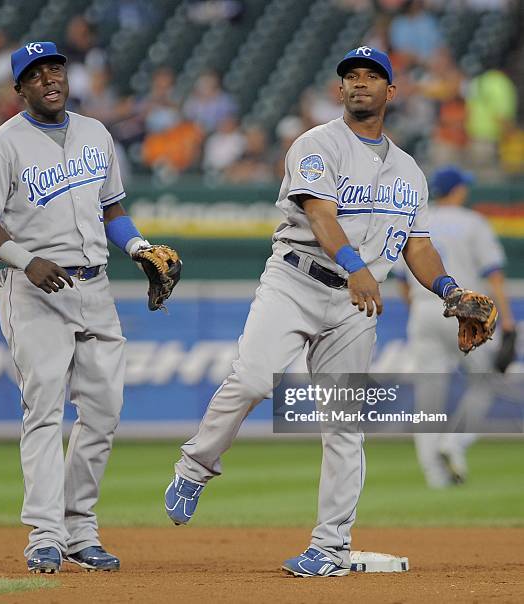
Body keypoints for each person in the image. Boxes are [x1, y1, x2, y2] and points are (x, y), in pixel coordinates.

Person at [164, 46, 492, 576]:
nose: (360, 83)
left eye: (372, 76)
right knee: (250, 380)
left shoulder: (410, 171)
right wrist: (355, 266)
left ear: (392, 91)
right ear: (340, 90)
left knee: (344, 424)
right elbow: (319, 213)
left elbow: (419, 246)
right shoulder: (316, 145)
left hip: (356, 305)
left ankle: (330, 546)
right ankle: (196, 465)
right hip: (296, 279)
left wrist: (452, 294)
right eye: (351, 77)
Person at [0, 41, 158, 574]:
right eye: (35, 73)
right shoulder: (0, 145)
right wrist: (27, 261)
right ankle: (45, 535)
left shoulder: (96, 132)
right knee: (44, 412)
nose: (49, 78)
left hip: (96, 288)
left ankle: (80, 529)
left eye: (56, 68)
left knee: (103, 413)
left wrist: (139, 248)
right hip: (35, 291)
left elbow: (112, 208)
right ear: (19, 88)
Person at [394, 166, 515, 487]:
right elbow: (495, 276)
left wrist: (420, 311)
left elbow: (401, 282)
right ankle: (455, 442)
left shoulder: (415, 219)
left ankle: (434, 475)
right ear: (457, 191)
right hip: (465, 309)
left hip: (422, 310)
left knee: (427, 397)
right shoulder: (472, 222)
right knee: (488, 381)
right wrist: (510, 323)